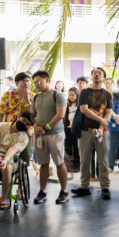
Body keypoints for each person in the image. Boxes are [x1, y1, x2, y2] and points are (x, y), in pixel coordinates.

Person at [72, 67, 114, 200]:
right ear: (91, 77)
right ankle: (84, 186)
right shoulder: (84, 92)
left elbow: (108, 113)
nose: (97, 75)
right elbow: (84, 109)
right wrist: (100, 119)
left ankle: (105, 187)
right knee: (84, 160)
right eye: (94, 73)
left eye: (99, 73)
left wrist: (101, 126)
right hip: (85, 131)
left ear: (103, 78)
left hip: (103, 131)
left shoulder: (108, 94)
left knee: (103, 160)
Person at [31, 70, 70, 204]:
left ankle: (64, 190)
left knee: (59, 162)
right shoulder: (36, 97)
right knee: (43, 164)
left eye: (39, 82)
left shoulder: (57, 95)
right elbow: (32, 115)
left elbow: (60, 114)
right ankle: (43, 191)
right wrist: (36, 127)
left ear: (47, 80)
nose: (36, 84)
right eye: (35, 82)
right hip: (39, 136)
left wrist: (45, 128)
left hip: (55, 134)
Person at [0, 111, 34, 209]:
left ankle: (3, 199)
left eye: (27, 124)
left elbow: (13, 149)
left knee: (7, 168)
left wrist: (5, 160)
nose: (24, 124)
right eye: (24, 120)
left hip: (11, 158)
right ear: (18, 116)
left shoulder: (24, 138)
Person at [0, 71, 34, 164]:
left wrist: (26, 100)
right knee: (9, 156)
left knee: (26, 157)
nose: (27, 83)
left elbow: (33, 116)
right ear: (16, 83)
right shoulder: (7, 95)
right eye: (24, 81)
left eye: (28, 81)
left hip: (26, 132)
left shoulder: (33, 96)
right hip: (10, 130)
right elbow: (0, 114)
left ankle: (21, 172)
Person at [63, 87, 81, 175]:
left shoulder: (80, 106)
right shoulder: (66, 105)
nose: (71, 96)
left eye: (73, 95)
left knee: (76, 148)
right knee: (67, 148)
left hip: (76, 129)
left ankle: (77, 166)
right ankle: (68, 166)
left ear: (77, 95)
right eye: (69, 94)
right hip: (67, 129)